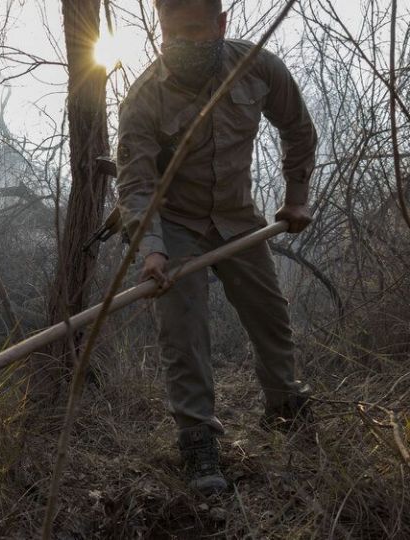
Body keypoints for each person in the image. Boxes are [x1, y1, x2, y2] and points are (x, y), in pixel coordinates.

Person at [116, 0, 318, 495]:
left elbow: (298, 128)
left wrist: (295, 199)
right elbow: (137, 186)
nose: (179, 44)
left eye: (192, 31)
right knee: (183, 329)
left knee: (269, 314)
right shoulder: (143, 99)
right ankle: (198, 441)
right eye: (170, 33)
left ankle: (285, 408)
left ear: (221, 25)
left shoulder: (257, 67)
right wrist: (152, 251)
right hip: (177, 224)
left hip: (238, 216)